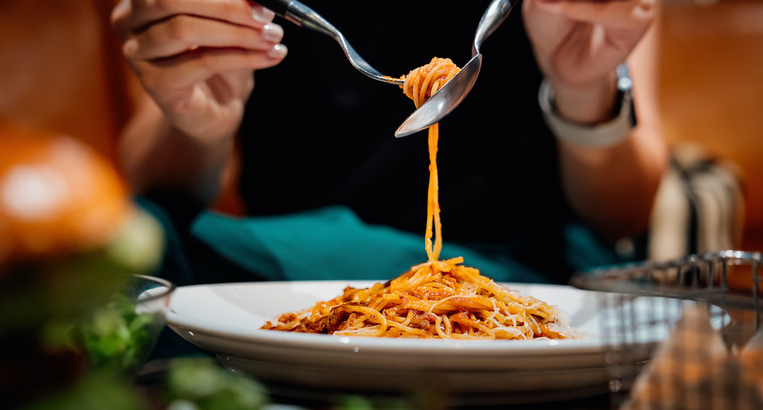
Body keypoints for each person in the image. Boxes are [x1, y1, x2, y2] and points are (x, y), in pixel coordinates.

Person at [110, 0, 667, 286]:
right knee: (123, 250)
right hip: (279, 273)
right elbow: (154, 191)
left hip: (525, 271)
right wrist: (197, 121)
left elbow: (624, 214)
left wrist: (584, 87)